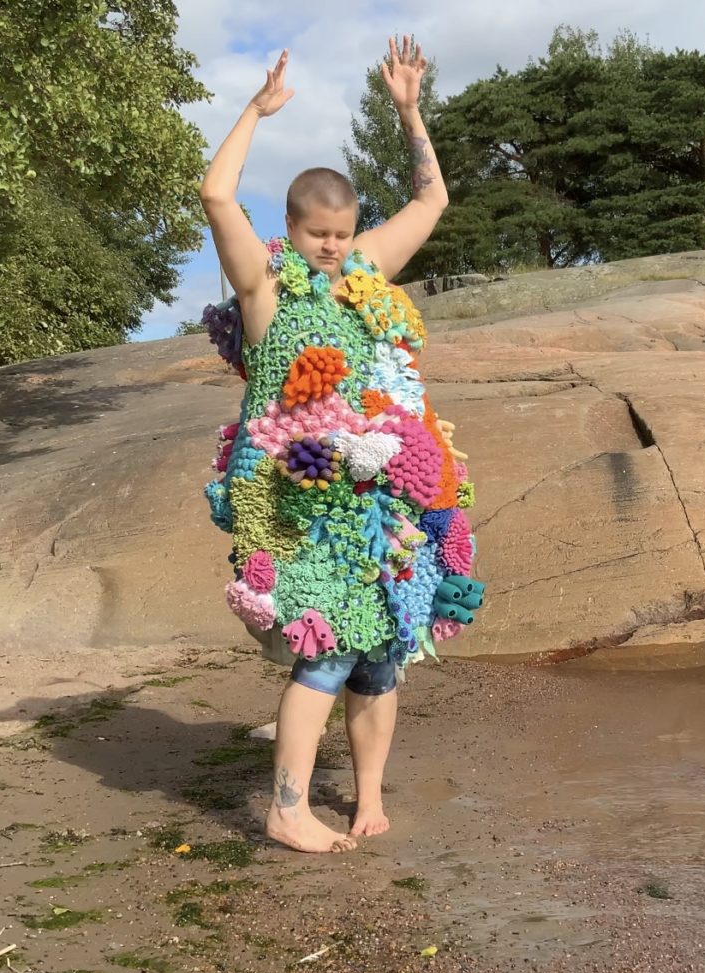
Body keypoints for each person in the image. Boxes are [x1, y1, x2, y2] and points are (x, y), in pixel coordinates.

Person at [198, 39, 483, 854]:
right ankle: (286, 808)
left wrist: (408, 111)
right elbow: (217, 196)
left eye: (342, 231)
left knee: (384, 651)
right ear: (292, 226)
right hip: (294, 493)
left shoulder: (364, 269)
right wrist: (255, 110)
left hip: (377, 491)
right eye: (318, 232)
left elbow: (431, 202)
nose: (331, 245)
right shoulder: (262, 283)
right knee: (327, 643)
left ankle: (367, 798)